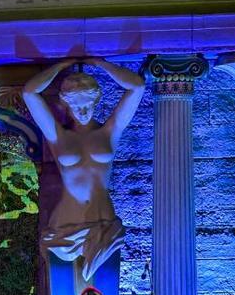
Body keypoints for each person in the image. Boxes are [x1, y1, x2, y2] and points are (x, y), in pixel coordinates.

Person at [23, 57, 144, 282]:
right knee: (65, 289)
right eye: (76, 106)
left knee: (104, 288)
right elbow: (30, 93)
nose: (82, 111)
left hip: (103, 223)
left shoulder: (109, 132)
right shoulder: (58, 136)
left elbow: (137, 86)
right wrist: (60, 65)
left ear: (96, 100)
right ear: (66, 105)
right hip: (65, 225)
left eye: (87, 104)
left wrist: (100, 63)